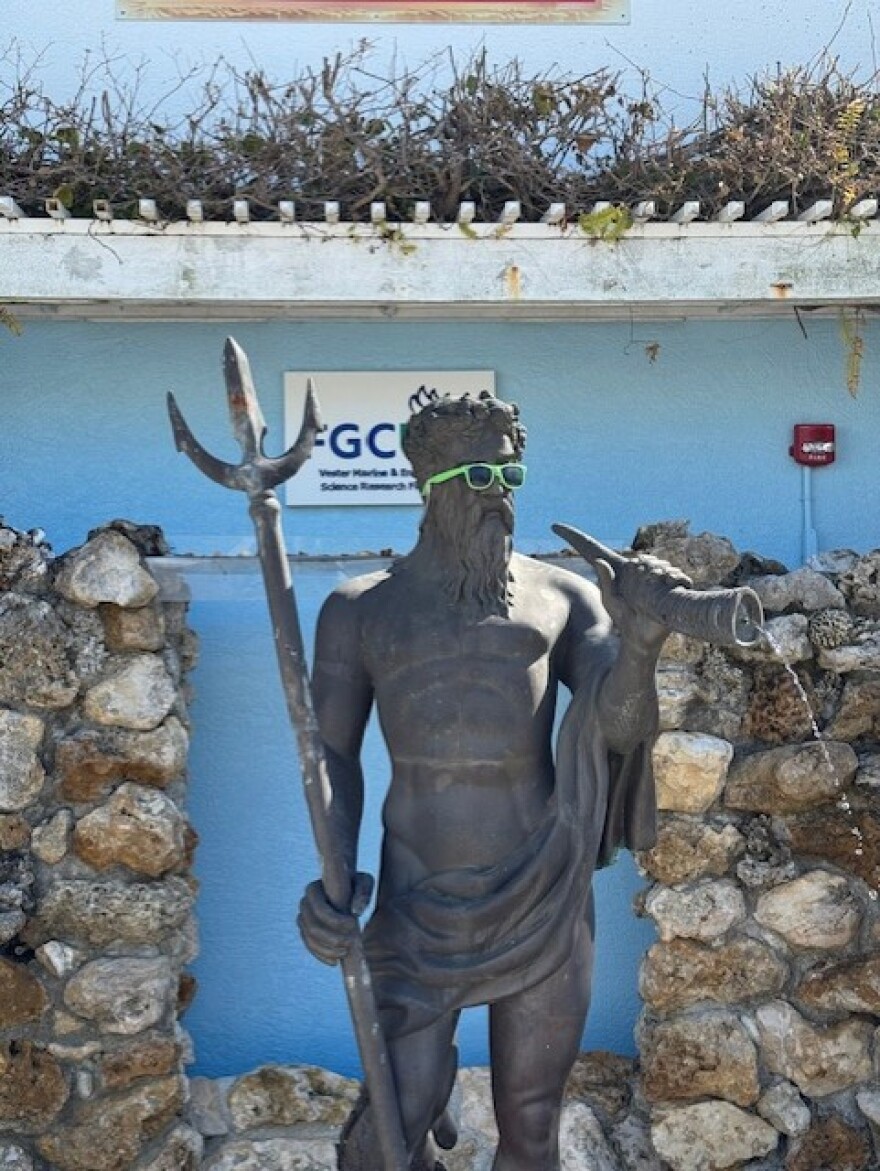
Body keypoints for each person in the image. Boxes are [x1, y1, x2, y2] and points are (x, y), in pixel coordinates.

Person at [298, 391, 688, 1171]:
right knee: (386, 1130)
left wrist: (641, 644)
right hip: (416, 899)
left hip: (542, 890)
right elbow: (330, 756)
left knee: (532, 1121)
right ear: (429, 480)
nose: (498, 492)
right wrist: (333, 879)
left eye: (510, 471)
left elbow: (620, 724)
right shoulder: (359, 611)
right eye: (477, 473)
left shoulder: (564, 597)